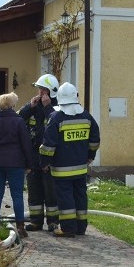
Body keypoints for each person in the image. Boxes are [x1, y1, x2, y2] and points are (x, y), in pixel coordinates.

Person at [40, 82, 100, 238]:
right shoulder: (86, 116)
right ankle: (81, 227)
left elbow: (48, 145)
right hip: (81, 167)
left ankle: (67, 228)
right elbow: (95, 139)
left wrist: (44, 162)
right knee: (80, 196)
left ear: (59, 98)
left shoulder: (56, 118)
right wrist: (90, 155)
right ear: (76, 96)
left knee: (65, 197)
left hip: (61, 169)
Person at [0, 92, 34, 237]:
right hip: (15, 163)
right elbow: (26, 144)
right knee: (17, 195)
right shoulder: (19, 122)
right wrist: (29, 163)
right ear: (12, 105)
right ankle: (20, 226)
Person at [18, 73, 61, 231]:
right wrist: (30, 107)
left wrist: (48, 106)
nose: (39, 93)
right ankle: (36, 221)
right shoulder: (33, 107)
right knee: (34, 191)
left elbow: (55, 122)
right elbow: (18, 119)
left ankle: (53, 222)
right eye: (39, 90)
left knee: (51, 192)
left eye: (42, 90)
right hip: (33, 156)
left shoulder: (56, 108)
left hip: (50, 158)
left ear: (50, 92)